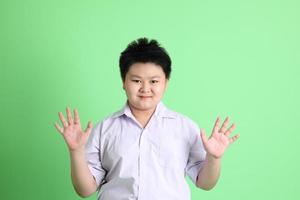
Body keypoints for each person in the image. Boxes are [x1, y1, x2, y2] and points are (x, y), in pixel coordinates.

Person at [54, 37, 240, 200]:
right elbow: (85, 190)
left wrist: (214, 158)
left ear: (166, 82)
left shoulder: (185, 127)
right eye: (136, 81)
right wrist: (76, 151)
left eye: (154, 81)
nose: (145, 88)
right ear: (123, 82)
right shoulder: (105, 129)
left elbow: (205, 183)